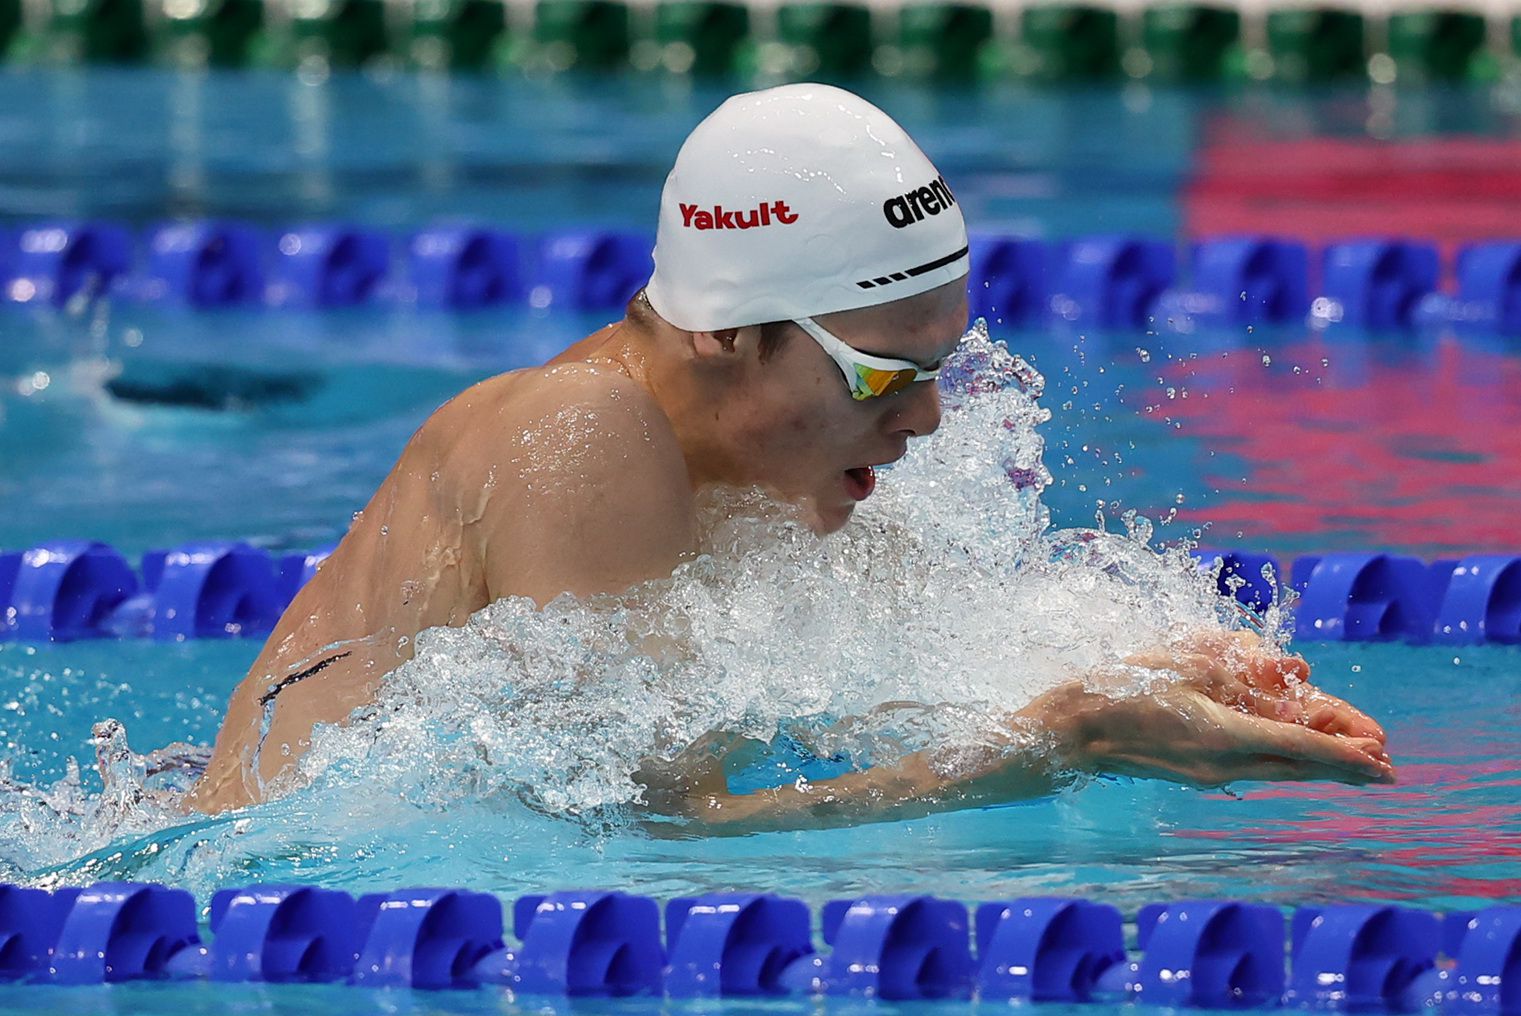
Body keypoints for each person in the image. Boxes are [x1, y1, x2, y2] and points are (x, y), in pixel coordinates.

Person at [185, 84, 1394, 820]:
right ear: (721, 329)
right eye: (883, 375)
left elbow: (884, 670)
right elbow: (663, 836)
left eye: (938, 371)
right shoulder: (581, 432)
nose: (924, 422)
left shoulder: (751, 481)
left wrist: (1143, 674)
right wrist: (1062, 743)